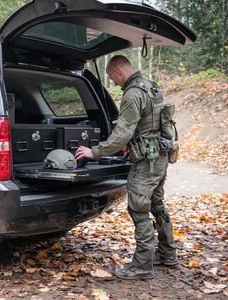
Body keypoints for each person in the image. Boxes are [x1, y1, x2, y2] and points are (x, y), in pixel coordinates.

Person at [75, 55, 177, 280]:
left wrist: (95, 151)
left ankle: (142, 265)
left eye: (112, 77)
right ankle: (167, 253)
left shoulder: (132, 94)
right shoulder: (151, 87)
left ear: (119, 72)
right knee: (157, 204)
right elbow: (152, 124)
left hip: (146, 161)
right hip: (159, 156)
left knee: (139, 208)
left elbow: (122, 133)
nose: (113, 82)